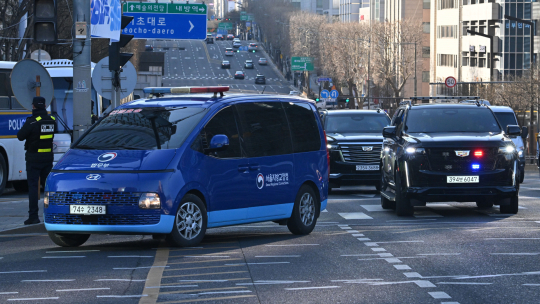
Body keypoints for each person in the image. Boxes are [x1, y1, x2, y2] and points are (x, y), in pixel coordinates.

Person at [17, 97, 56, 225]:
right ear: (44, 106)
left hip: (34, 159)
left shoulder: (32, 122)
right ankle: (51, 214)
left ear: (33, 106)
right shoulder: (51, 121)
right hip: (48, 159)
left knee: (33, 187)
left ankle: (33, 216)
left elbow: (20, 136)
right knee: (47, 188)